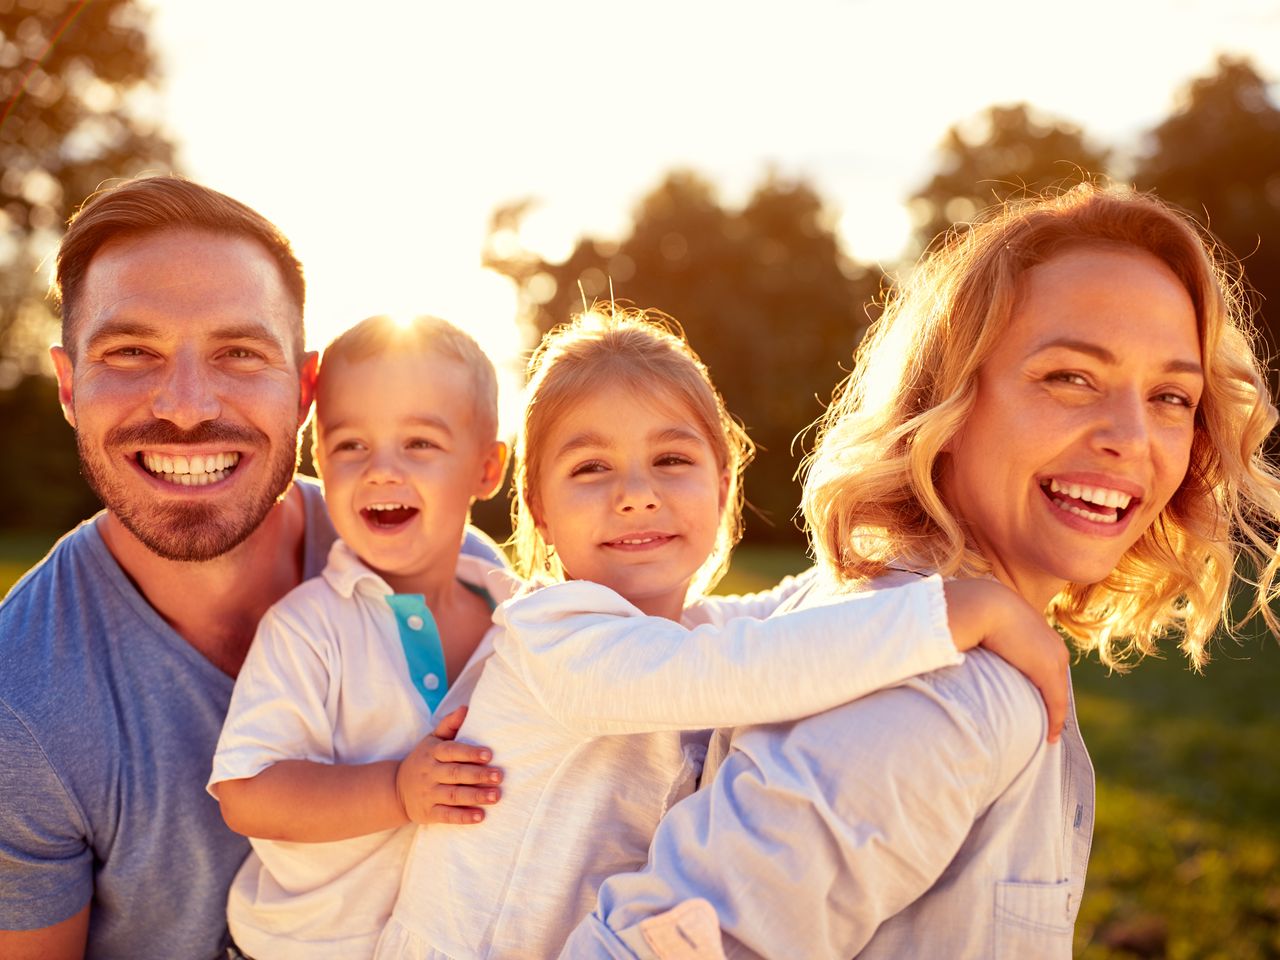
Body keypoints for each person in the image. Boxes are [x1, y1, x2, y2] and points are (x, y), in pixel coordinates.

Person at [559, 185, 1280, 959]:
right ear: (951, 401)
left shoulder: (842, 614)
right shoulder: (946, 697)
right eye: (1070, 377)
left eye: (1172, 396)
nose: (1132, 437)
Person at [375, 307, 1070, 960]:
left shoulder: (687, 630)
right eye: (591, 468)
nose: (636, 493)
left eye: (672, 460)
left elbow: (791, 608)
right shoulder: (552, 636)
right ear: (540, 511)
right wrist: (957, 613)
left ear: (722, 482)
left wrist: (911, 561)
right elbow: (745, 666)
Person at [0, 177, 500, 960]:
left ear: (304, 388)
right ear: (69, 386)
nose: (189, 406)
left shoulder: (451, 567)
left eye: (239, 352)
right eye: (131, 351)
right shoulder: (21, 703)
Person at [207, 315, 519, 960]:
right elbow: (247, 792)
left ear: (486, 468)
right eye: (350, 445)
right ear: (318, 459)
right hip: (305, 946)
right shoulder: (310, 627)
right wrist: (397, 791)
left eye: (420, 444)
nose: (381, 470)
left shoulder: (517, 613)